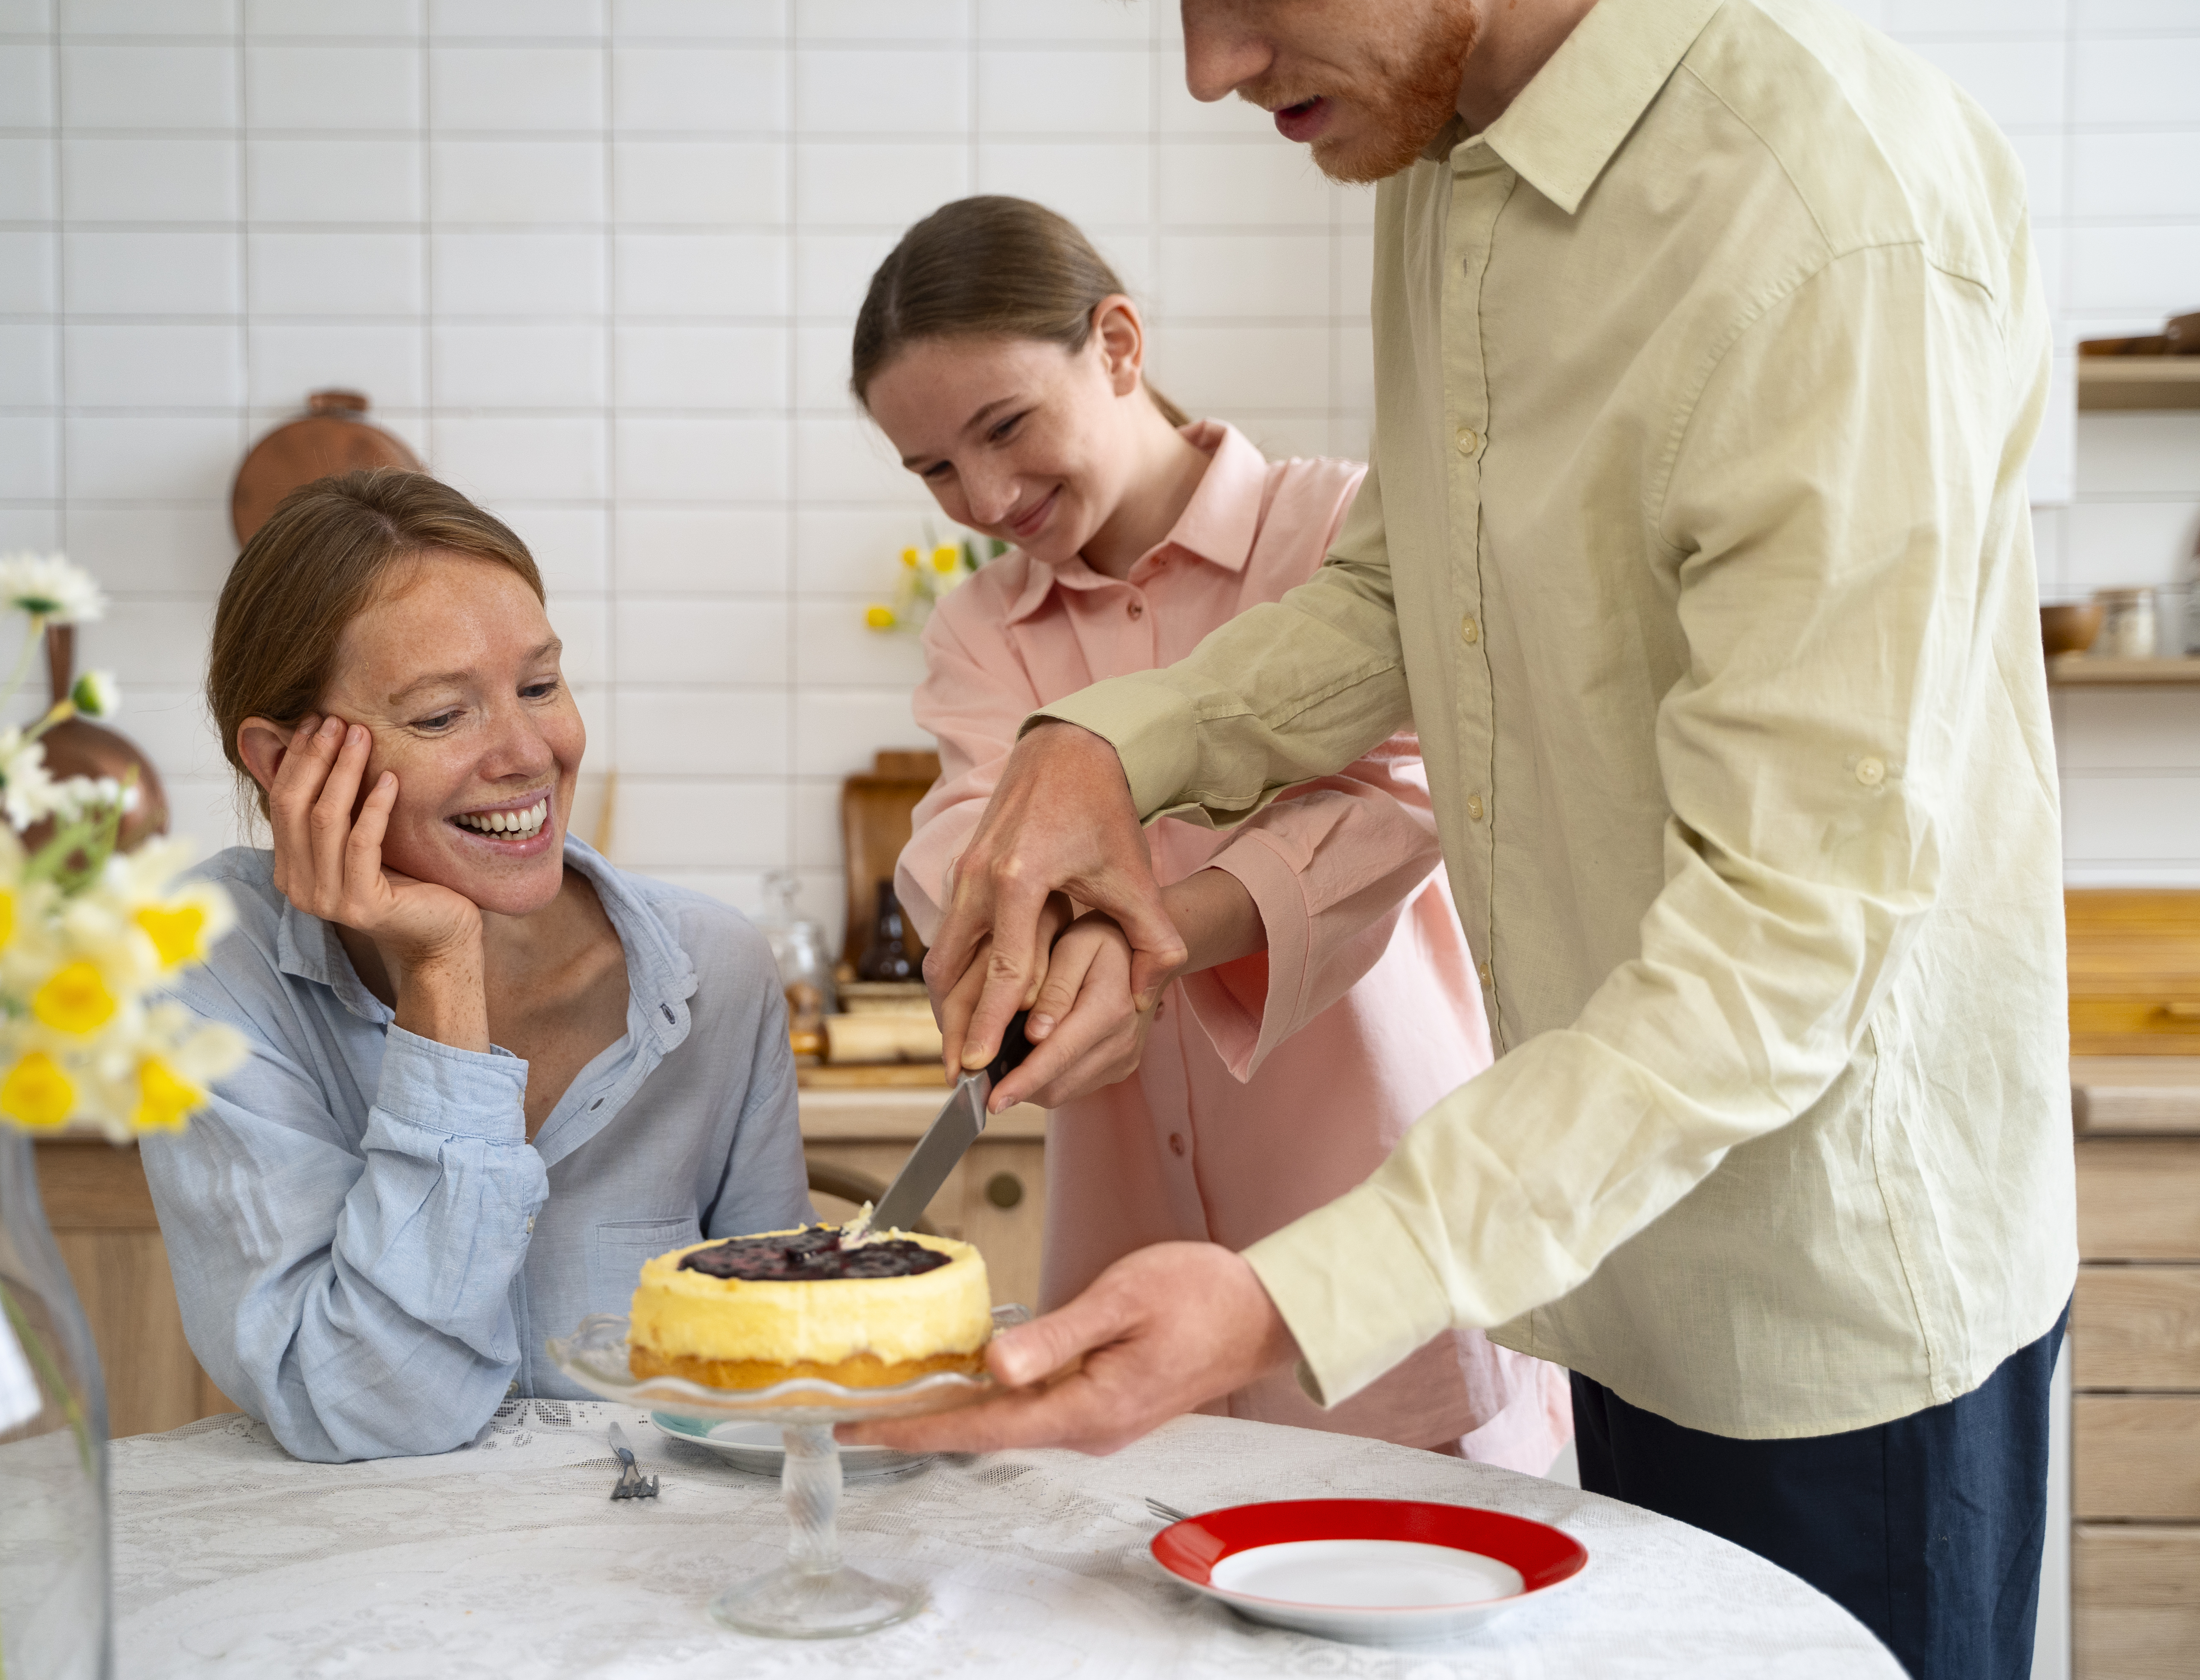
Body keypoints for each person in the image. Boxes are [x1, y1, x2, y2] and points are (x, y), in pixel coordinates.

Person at [852, 1, 2073, 1675]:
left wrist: (1294, 1296)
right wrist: (1109, 744)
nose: (1208, 69)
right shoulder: (1446, 147)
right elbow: (1413, 583)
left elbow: (1783, 946)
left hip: (1821, 1306)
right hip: (1603, 1270)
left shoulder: (1827, 220)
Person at [857, 195, 1565, 1470]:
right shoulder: (980, 631)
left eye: (1005, 427)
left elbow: (1407, 802)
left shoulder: (1339, 534)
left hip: (1373, 1210)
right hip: (1129, 1255)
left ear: (1117, 346)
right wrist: (1041, 943)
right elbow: (969, 832)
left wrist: (1153, 937)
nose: (987, 494)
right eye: (936, 470)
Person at [142, 469, 809, 1463]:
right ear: (285, 766)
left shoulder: (716, 969)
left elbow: (783, 1380)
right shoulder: (207, 973)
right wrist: (443, 970)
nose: (528, 753)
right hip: (371, 1588)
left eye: (540, 686)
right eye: (443, 715)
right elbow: (370, 1410)